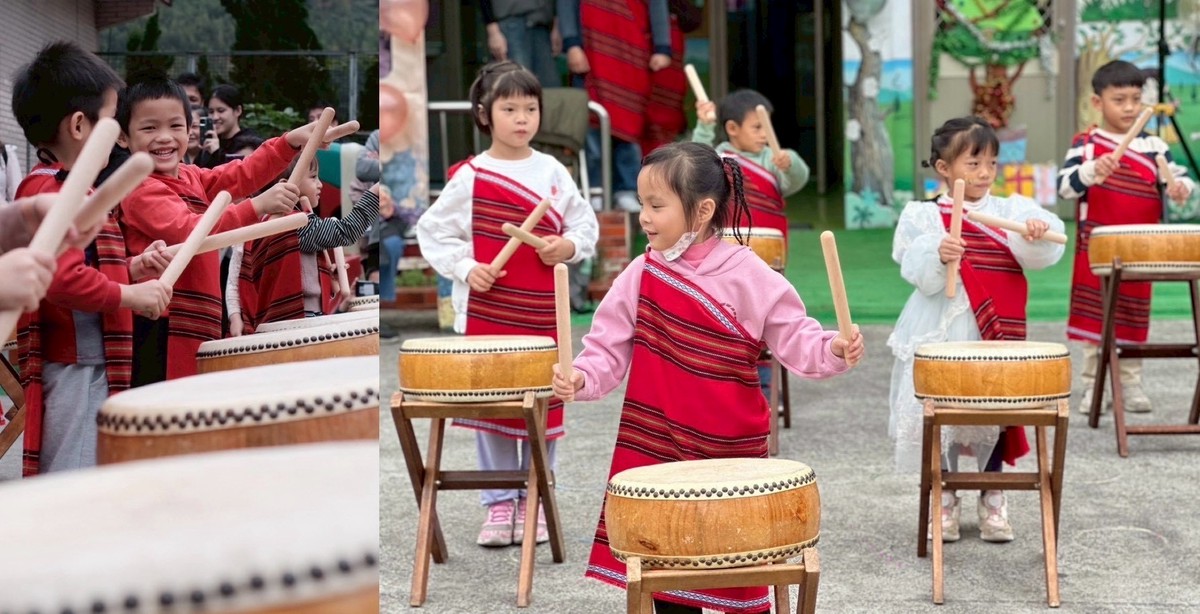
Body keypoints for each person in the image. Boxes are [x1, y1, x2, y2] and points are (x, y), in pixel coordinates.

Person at [550, 141, 862, 614]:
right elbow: (606, 349)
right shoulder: (641, 273)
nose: (645, 218)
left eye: (657, 206)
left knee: (743, 567)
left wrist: (834, 348)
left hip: (733, 446)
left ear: (702, 210)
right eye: (643, 206)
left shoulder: (750, 273)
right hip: (659, 446)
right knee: (672, 573)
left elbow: (798, 337)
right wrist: (580, 376)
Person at [416, 61, 598, 547]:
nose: (522, 118)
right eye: (510, 108)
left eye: (531, 108)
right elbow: (433, 230)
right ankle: (499, 504)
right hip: (491, 310)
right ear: (484, 114)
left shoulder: (554, 172)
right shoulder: (471, 176)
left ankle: (535, 500)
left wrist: (568, 246)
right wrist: (466, 267)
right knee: (495, 407)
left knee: (542, 402)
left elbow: (585, 226)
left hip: (544, 312)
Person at [889, 116, 1065, 544]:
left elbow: (1044, 250)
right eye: (973, 163)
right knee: (946, 409)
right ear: (943, 168)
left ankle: (993, 496)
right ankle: (945, 497)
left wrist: (1038, 234)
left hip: (997, 333)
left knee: (995, 412)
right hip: (941, 329)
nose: (985, 173)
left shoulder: (1011, 211)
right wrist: (937, 251)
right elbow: (918, 272)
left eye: (991, 162)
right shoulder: (923, 216)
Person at [114, 77, 355, 384]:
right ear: (124, 137)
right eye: (149, 128)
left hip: (198, 321)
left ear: (190, 130)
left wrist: (289, 142)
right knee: (162, 418)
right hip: (161, 326)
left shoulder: (191, 176)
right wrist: (255, 207)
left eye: (175, 126)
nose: (164, 138)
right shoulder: (139, 187)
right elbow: (189, 230)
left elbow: (241, 174)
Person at [10, 41, 175, 475]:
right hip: (75, 362)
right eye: (112, 124)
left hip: (88, 358)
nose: (119, 139)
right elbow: (62, 281)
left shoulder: (69, 188)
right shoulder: (47, 190)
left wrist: (133, 269)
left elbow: (82, 266)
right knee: (75, 472)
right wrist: (130, 295)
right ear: (81, 126)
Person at [1058, 60, 1194, 414]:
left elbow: (1176, 179)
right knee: (1096, 315)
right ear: (1097, 102)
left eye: (1136, 98)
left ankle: (1130, 383)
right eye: (1120, 100)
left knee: (1133, 312)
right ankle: (1093, 386)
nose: (1130, 107)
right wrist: (1090, 171)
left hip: (1140, 246)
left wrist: (1180, 188)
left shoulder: (1153, 146)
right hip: (1098, 245)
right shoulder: (1086, 144)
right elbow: (1064, 187)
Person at [693, 89, 811, 401]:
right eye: (756, 127)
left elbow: (797, 180)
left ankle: (762, 393)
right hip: (723, 260)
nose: (764, 134)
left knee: (761, 322)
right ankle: (721, 387)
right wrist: (704, 125)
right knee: (723, 320)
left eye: (766, 126)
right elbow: (692, 167)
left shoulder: (774, 161)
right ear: (732, 129)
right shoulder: (718, 157)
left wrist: (790, 165)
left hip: (767, 261)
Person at [228, 156, 379, 334]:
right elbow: (347, 231)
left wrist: (324, 275)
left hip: (285, 321)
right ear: (286, 186)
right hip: (301, 322)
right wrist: (376, 193)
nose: (320, 184)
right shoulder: (295, 224)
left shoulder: (269, 224)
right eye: (313, 177)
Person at [557, 0, 672, 211]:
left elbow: (657, 5)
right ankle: (595, 189)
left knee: (629, 121)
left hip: (632, 50)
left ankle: (628, 189)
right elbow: (566, 6)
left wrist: (662, 47)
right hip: (590, 50)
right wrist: (572, 45)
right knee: (591, 126)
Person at [480, 0, 560, 88]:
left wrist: (556, 25)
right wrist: (493, 30)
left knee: (551, 88)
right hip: (511, 23)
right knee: (516, 86)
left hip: (543, 25)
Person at [196, 84, 258, 168]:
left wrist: (216, 153)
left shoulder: (249, 143)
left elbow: (238, 175)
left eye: (221, 111)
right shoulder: (210, 141)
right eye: (211, 112)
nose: (215, 117)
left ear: (238, 110)